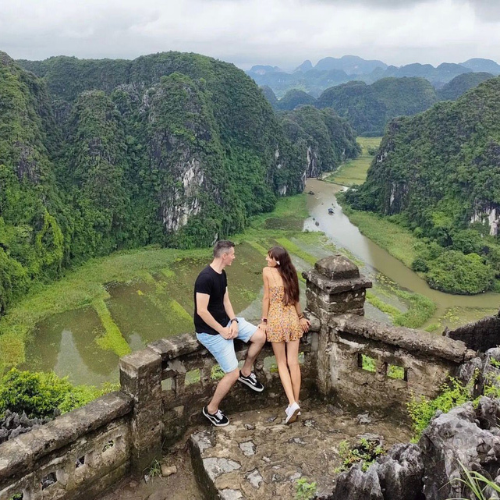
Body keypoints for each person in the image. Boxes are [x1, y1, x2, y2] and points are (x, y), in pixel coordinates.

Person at [194, 240, 266, 426]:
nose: (234, 257)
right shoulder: (205, 278)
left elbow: (226, 301)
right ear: (224, 255)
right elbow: (202, 311)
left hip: (227, 324)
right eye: (232, 254)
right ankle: (211, 409)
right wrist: (222, 331)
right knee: (231, 374)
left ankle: (246, 371)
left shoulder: (222, 274)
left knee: (260, 337)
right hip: (210, 332)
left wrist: (233, 321)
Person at [260, 246, 310, 424]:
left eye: (270, 258)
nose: (267, 260)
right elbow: (296, 299)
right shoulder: (291, 273)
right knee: (293, 363)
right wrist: (301, 317)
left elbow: (266, 298)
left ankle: (292, 403)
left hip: (276, 320)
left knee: (281, 363)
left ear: (277, 261)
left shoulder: (267, 272)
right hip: (291, 320)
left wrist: (264, 321)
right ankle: (296, 403)